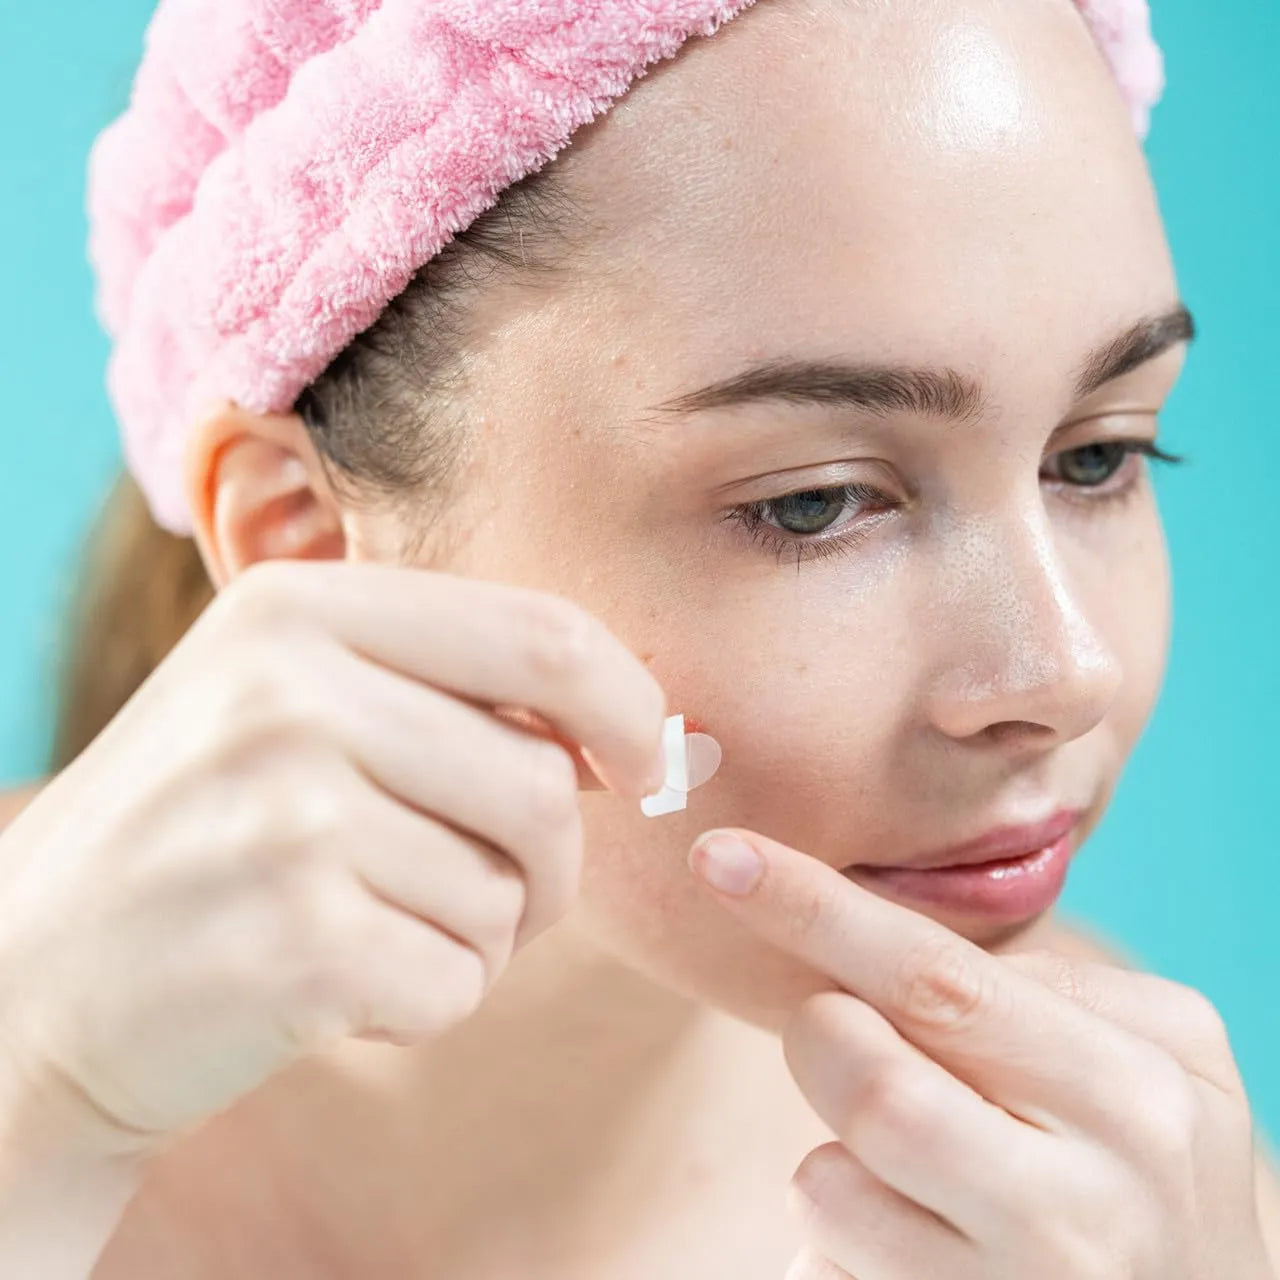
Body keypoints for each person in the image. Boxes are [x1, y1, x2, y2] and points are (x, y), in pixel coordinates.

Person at [0, 0, 1277, 1276]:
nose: (1062, 672)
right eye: (814, 501)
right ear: (307, 541)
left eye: (1096, 457)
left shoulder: (1108, 1174)